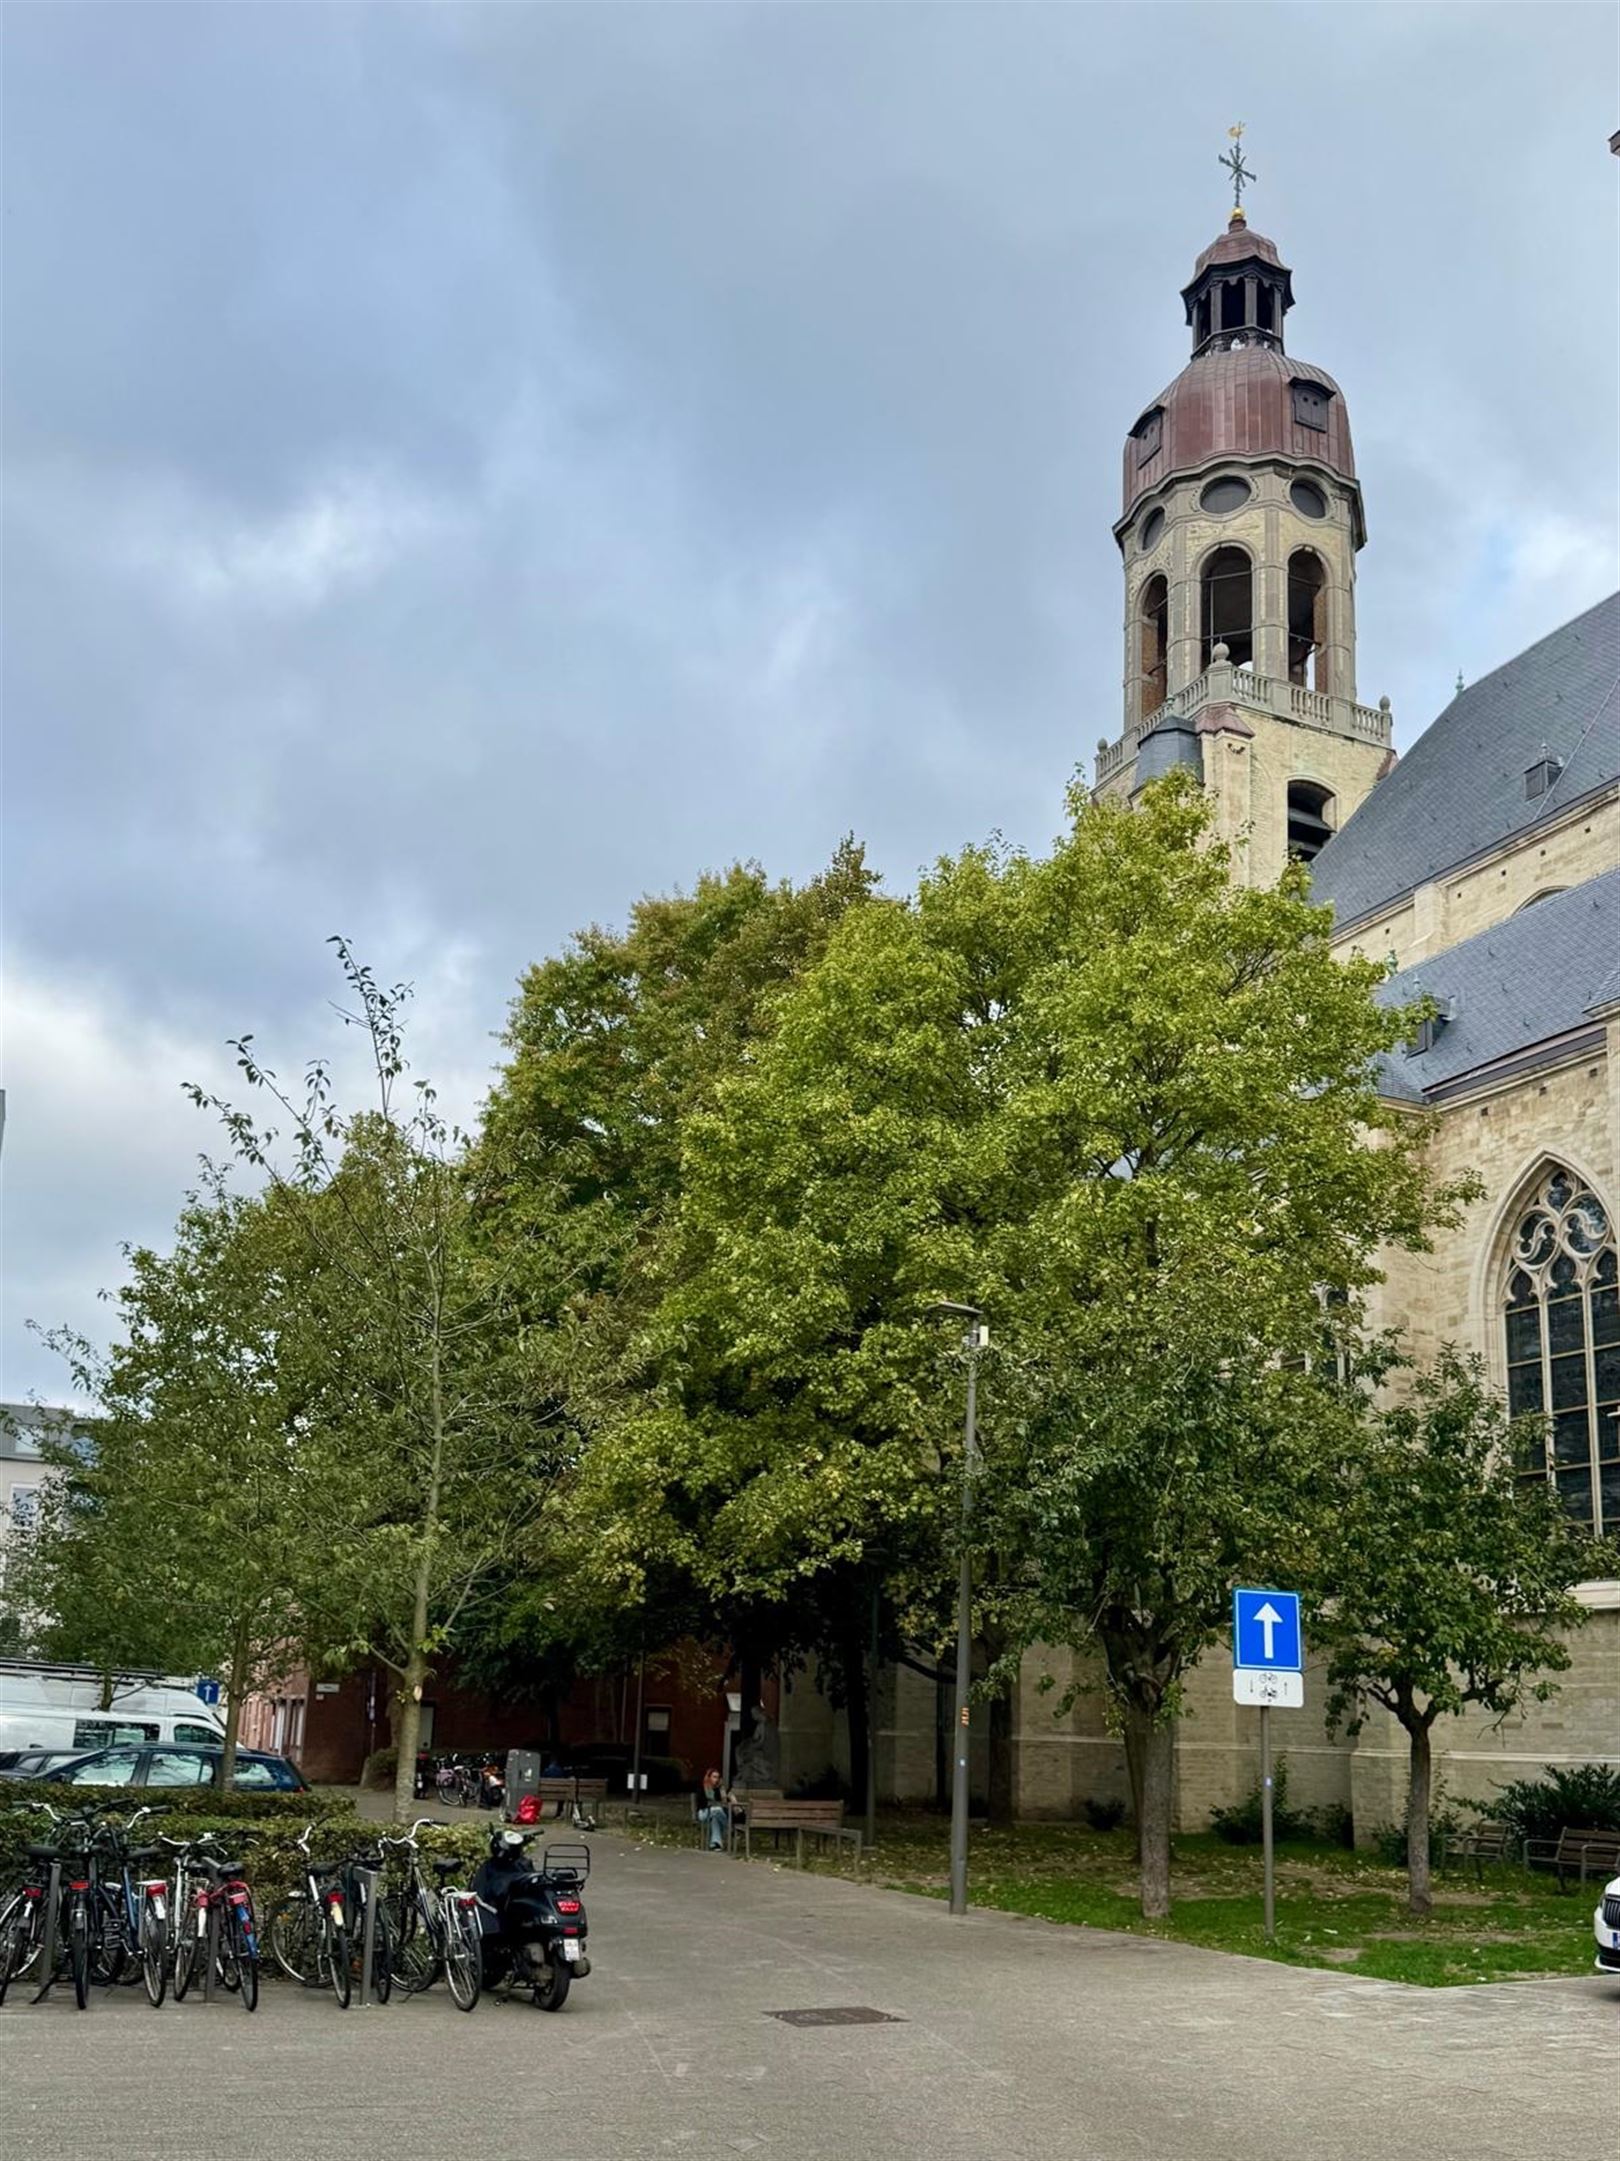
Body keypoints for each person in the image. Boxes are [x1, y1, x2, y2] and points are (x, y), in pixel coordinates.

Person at [696, 1768, 732, 1851]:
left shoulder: (719, 1790)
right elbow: (702, 1803)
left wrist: (722, 1791)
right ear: (709, 1777)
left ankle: (716, 1844)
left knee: (715, 1820)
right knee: (717, 1809)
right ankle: (729, 1827)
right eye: (714, 1777)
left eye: (718, 1777)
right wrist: (713, 1804)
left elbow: (725, 1803)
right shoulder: (702, 1788)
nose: (716, 1779)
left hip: (714, 1814)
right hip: (703, 1813)